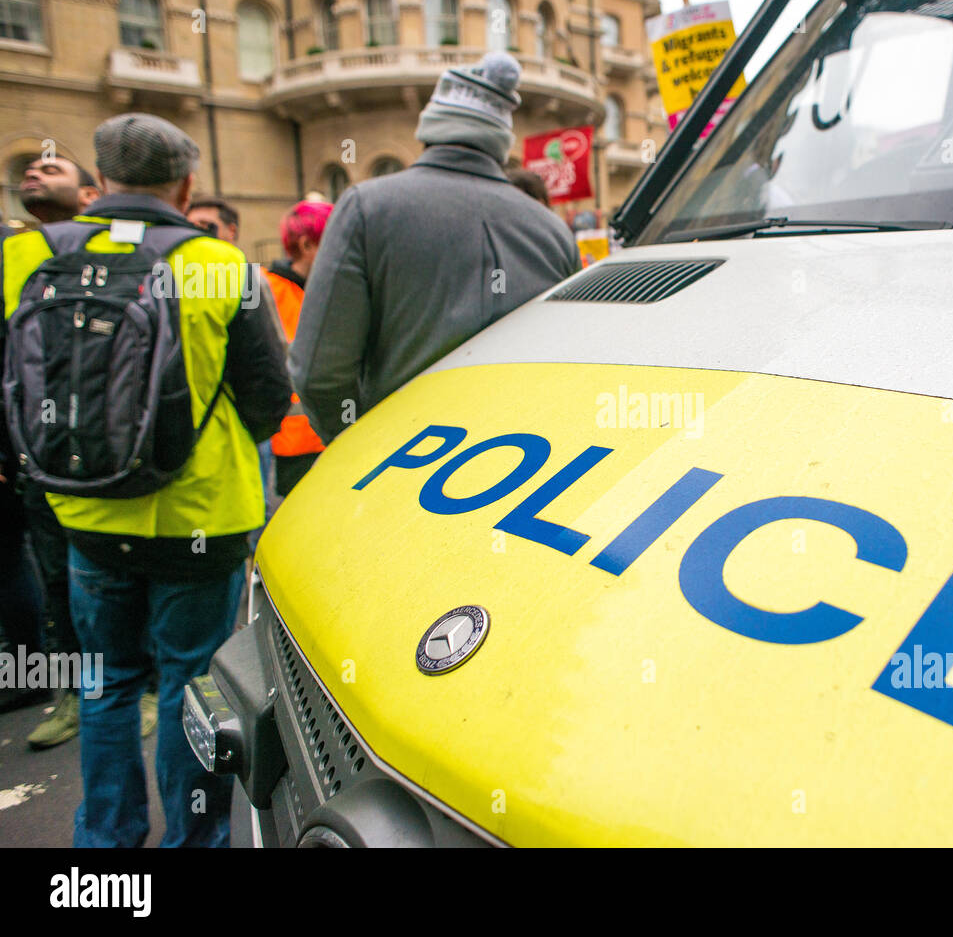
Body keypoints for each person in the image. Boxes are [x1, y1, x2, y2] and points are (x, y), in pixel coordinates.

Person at [1, 113, 291, 847]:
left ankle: (105, 840)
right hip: (202, 517)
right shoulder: (226, 267)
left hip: (83, 510)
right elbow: (266, 397)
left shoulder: (24, 254)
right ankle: (193, 841)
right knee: (192, 685)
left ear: (100, 180)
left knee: (104, 683)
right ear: (187, 183)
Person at [290, 52, 579, 443]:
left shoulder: (366, 208)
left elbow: (319, 372)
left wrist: (354, 451)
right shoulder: (553, 230)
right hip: (522, 463)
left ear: (429, 130)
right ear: (499, 141)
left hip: (399, 463)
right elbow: (568, 360)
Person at [7, 156, 112, 746]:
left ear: (91, 191)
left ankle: (132, 687)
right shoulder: (11, 251)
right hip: (39, 455)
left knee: (109, 579)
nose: (35, 173)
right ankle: (73, 696)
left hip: (105, 452)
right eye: (29, 169)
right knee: (56, 584)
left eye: (52, 166)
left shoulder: (117, 248)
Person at [265, 200, 332, 496]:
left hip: (332, 436)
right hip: (289, 444)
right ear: (307, 245)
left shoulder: (333, 289)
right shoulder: (268, 291)